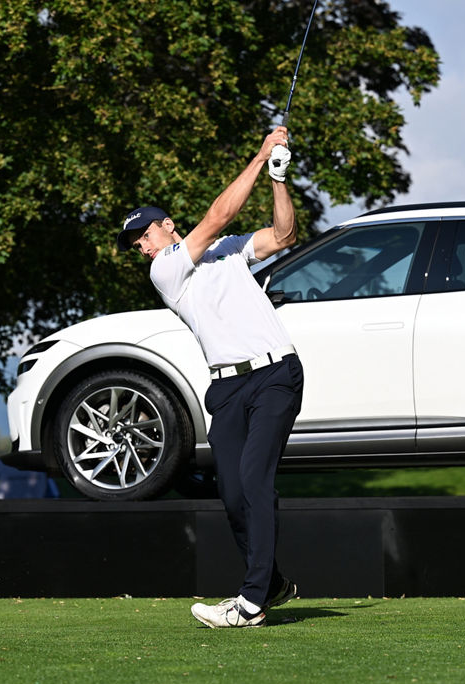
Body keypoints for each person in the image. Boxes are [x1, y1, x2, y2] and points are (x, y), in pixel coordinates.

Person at [117, 126, 304, 628]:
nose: (141, 245)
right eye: (135, 242)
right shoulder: (167, 273)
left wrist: (278, 177)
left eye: (145, 235)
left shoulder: (229, 251)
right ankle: (274, 583)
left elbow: (283, 235)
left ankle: (251, 602)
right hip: (225, 388)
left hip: (274, 376)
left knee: (254, 480)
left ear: (167, 227)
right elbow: (219, 212)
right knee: (231, 494)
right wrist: (262, 153)